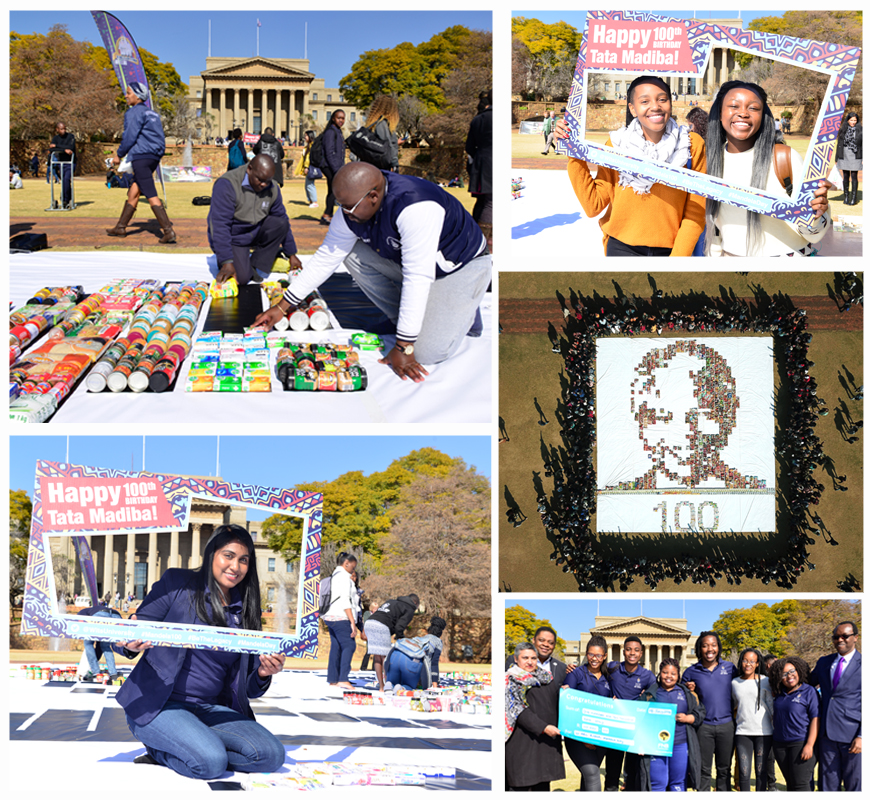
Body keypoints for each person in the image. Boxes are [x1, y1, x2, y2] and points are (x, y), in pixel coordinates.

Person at [253, 162, 491, 382]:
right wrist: (282, 307)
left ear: (374, 197)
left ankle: (466, 306)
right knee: (351, 252)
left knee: (425, 352)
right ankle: (418, 319)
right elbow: (327, 258)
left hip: (459, 266)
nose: (344, 213)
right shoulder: (354, 205)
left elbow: (416, 278)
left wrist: (404, 347)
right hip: (415, 263)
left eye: (348, 207)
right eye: (339, 205)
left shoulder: (415, 207)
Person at [113, 525, 286, 780]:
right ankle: (161, 749)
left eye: (243, 560)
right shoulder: (178, 584)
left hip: (212, 710)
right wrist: (128, 642)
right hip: (159, 705)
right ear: (211, 554)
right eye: (228, 556)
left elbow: (247, 688)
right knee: (211, 763)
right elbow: (132, 628)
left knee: (271, 755)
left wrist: (262, 673)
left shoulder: (244, 610)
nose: (235, 567)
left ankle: (196, 741)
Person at [560, 75, 706, 256]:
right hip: (621, 248)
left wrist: (677, 260)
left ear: (670, 102)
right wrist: (574, 154)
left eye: (662, 99)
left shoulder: (691, 145)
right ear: (633, 108)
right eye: (645, 101)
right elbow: (593, 205)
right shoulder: (617, 144)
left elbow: (696, 211)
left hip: (672, 251)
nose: (655, 106)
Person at [609, 340, 767, 491]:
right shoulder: (622, 495)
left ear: (729, 418)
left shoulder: (755, 492)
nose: (686, 433)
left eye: (700, 414)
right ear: (641, 425)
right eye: (664, 417)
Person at [703, 80, 831, 256]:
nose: (743, 113)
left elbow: (813, 234)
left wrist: (816, 214)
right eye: (733, 106)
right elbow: (715, 229)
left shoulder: (784, 158)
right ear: (719, 112)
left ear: (763, 115)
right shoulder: (709, 162)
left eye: (753, 108)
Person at [209, 154, 302, 287]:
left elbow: (282, 219)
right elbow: (220, 226)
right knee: (241, 278)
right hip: (234, 237)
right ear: (249, 169)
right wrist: (226, 261)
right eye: (260, 179)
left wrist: (291, 254)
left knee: (280, 224)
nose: (264, 184)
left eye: (268, 180)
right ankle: (238, 261)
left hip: (255, 231)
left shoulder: (272, 187)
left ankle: (256, 261)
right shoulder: (227, 184)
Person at [106, 83, 175, 243]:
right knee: (134, 192)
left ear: (137, 96)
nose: (126, 95)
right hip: (153, 156)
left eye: (129, 93)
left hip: (141, 156)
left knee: (150, 194)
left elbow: (129, 136)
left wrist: (119, 155)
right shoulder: (153, 114)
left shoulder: (133, 112)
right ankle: (121, 226)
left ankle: (168, 231)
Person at [808, 621, 862, 791]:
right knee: (827, 786)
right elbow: (807, 685)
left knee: (855, 785)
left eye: (845, 636)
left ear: (855, 638)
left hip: (853, 737)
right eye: (836, 637)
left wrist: (862, 736)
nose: (840, 640)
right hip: (827, 736)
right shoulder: (824, 662)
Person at [682, 631, 739, 791]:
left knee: (724, 769)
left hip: (727, 725)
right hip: (703, 727)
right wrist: (690, 691)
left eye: (713, 645)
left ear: (718, 648)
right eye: (705, 645)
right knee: (703, 770)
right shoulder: (691, 672)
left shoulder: (730, 668)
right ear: (699, 648)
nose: (709, 649)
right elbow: (682, 698)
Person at [637, 658, 705, 791]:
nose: (669, 676)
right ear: (659, 674)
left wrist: (689, 718)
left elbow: (700, 711)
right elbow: (639, 719)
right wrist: (640, 742)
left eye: (673, 673)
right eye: (665, 672)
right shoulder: (650, 694)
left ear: (678, 675)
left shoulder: (686, 693)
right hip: (655, 746)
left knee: (678, 783)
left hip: (680, 744)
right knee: (658, 783)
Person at [505, 641, 566, 791]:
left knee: (542, 786)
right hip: (521, 743)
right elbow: (517, 709)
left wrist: (566, 694)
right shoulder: (510, 679)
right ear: (516, 659)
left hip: (545, 745)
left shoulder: (546, 677)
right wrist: (543, 727)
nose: (530, 662)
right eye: (525, 658)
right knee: (522, 786)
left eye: (533, 658)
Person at [606, 636, 657, 791]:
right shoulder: (612, 668)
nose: (632, 653)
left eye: (636, 650)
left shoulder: (647, 675)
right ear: (623, 652)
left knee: (634, 773)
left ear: (641, 653)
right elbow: (594, 675)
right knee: (612, 773)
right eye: (628, 649)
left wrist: (644, 697)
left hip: (636, 728)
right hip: (615, 726)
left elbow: (655, 696)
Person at [563, 635, 612, 791]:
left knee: (588, 778)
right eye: (591, 654)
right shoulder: (575, 674)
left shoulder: (608, 678)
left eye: (598, 655)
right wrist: (584, 738)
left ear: (604, 656)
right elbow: (568, 706)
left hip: (600, 737)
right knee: (592, 774)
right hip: (578, 737)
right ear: (586, 653)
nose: (594, 658)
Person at [768, 656, 818, 791]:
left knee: (801, 785)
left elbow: (815, 719)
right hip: (780, 745)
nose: (789, 676)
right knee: (790, 784)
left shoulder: (809, 691)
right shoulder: (779, 693)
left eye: (792, 671)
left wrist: (809, 745)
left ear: (798, 671)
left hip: (800, 744)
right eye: (784, 674)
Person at [731, 647, 774, 792]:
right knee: (744, 771)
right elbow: (736, 705)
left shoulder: (766, 681)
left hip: (764, 732)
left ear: (757, 664)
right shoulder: (735, 683)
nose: (748, 664)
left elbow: (771, 705)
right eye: (745, 660)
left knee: (761, 771)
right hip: (743, 732)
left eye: (752, 661)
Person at [362, 594, 419, 690]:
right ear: (415, 603)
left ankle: (381, 686)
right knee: (386, 658)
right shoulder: (409, 608)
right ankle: (389, 684)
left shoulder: (392, 601)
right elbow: (399, 627)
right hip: (381, 625)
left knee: (377, 657)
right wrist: (401, 639)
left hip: (369, 623)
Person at [321, 552, 358, 689]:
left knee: (336, 647)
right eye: (352, 567)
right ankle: (343, 678)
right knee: (349, 645)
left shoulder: (334, 576)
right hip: (340, 616)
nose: (353, 570)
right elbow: (345, 600)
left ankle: (333, 679)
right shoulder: (344, 577)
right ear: (346, 563)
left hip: (329, 616)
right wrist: (352, 622)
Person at [465, 91, 493, 229]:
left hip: (480, 164)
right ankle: (485, 238)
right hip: (490, 164)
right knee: (490, 202)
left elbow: (469, 147)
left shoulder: (477, 119)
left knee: (482, 201)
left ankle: (474, 232)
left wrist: (480, 156)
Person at [78, 605, 122, 680]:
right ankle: (113, 673)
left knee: (88, 643)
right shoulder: (91, 610)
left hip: (100, 615)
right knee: (105, 646)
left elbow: (80, 626)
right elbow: (99, 648)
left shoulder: (80, 614)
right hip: (116, 615)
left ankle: (95, 672)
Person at [319, 109, 346, 225]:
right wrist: (336, 170)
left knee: (332, 191)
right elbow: (329, 152)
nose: (341, 120)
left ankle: (327, 214)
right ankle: (327, 215)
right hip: (329, 166)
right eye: (339, 118)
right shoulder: (331, 132)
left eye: (343, 118)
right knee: (333, 190)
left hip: (335, 166)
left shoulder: (338, 131)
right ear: (333, 118)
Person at [362, 95, 400, 171]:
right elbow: (387, 146)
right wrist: (395, 163)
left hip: (369, 166)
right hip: (380, 168)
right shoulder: (382, 124)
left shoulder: (372, 124)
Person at [836, 113, 862, 206]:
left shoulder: (861, 130)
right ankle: (846, 197)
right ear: (847, 120)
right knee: (845, 176)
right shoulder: (843, 130)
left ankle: (854, 199)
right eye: (851, 120)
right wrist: (837, 157)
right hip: (844, 155)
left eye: (855, 120)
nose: (853, 122)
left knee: (854, 176)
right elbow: (839, 144)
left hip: (856, 155)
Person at [48, 121, 76, 208]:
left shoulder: (71, 137)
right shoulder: (55, 138)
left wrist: (57, 146)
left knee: (66, 179)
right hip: (61, 162)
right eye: (61, 129)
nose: (63, 130)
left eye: (64, 128)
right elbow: (51, 149)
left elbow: (71, 148)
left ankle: (65, 199)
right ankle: (67, 198)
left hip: (71, 162)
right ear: (57, 130)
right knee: (64, 181)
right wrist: (64, 150)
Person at [418, 616, 447, 686]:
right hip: (423, 670)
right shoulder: (438, 642)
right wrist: (435, 685)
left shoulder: (422, 638)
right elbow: (434, 663)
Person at [294, 130, 319, 208]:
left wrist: (306, 167)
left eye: (306, 136)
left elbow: (309, 158)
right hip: (309, 167)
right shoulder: (308, 146)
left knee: (310, 185)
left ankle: (314, 201)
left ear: (310, 136)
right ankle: (311, 200)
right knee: (307, 185)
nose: (304, 137)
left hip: (310, 168)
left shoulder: (312, 146)